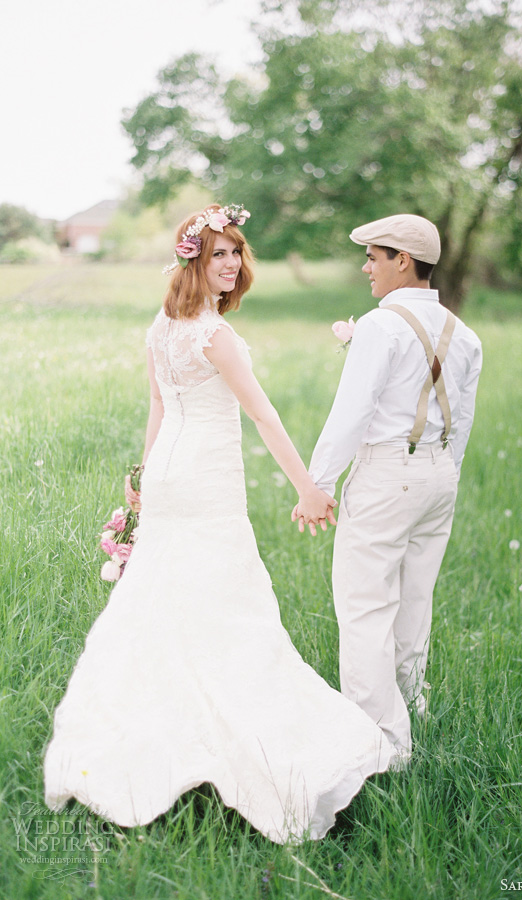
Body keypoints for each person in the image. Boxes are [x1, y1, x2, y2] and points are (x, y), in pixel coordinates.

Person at [43, 204, 396, 845]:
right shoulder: (214, 337)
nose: (232, 265)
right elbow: (262, 416)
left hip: (175, 474)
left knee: (164, 601)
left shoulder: (162, 326)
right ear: (194, 261)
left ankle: (157, 738)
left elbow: (157, 405)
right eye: (219, 255)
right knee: (227, 608)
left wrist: (146, 474)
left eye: (238, 252)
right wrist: (309, 487)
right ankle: (248, 749)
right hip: (201, 482)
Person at [293, 214, 482, 759]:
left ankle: (381, 745)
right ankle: (411, 708)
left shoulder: (382, 325)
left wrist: (318, 482)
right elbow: (462, 420)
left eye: (374, 256)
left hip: (385, 477)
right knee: (413, 601)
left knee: (364, 609)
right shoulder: (464, 334)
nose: (366, 266)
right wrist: (444, 473)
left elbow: (353, 411)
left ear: (403, 260)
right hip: (439, 476)